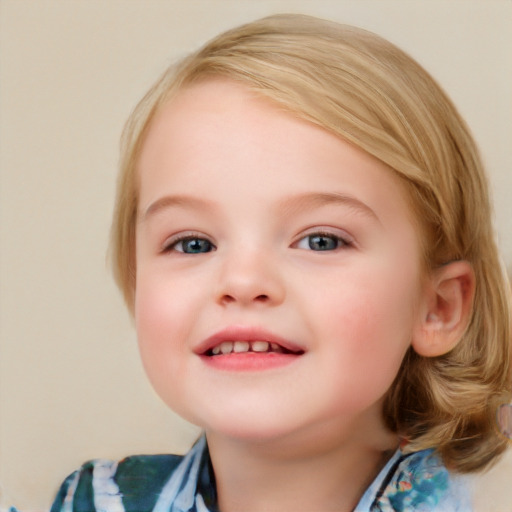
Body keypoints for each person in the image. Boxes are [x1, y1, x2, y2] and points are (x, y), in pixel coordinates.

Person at [49, 14, 511, 512]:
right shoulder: (96, 500)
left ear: (437, 307)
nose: (243, 281)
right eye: (193, 244)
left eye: (320, 241)